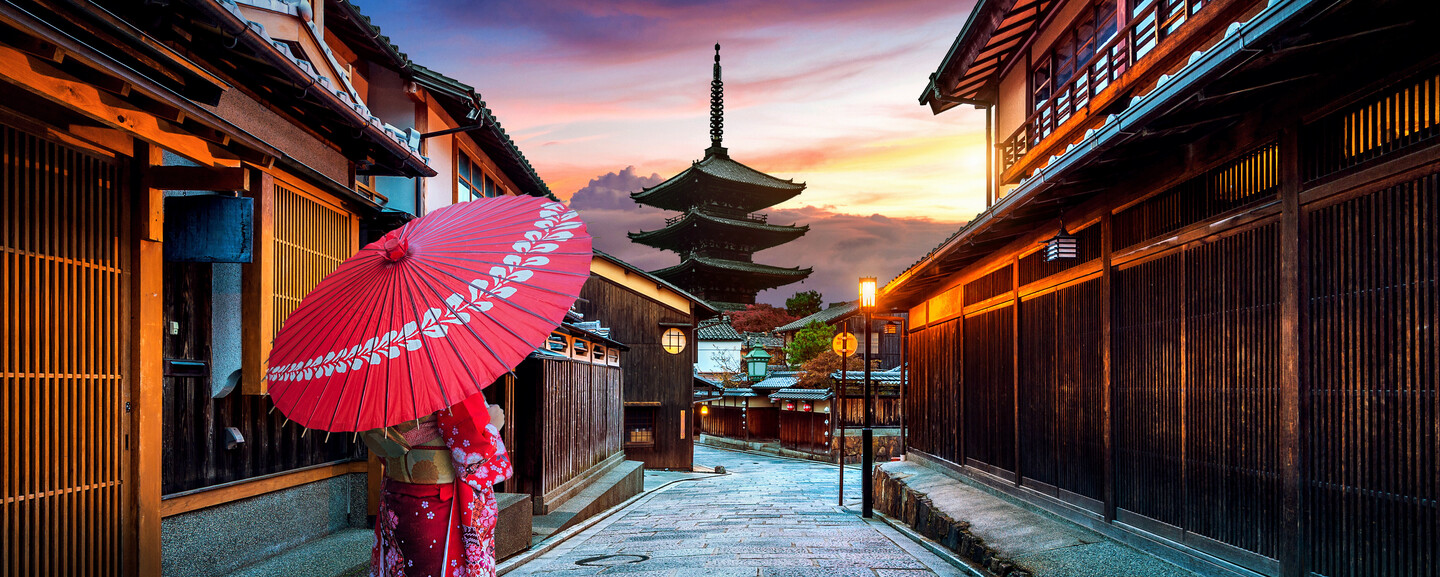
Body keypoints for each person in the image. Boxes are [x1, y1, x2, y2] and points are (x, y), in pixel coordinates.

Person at [363, 394, 512, 577]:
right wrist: (492, 425)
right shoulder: (445, 380)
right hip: (439, 502)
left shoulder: (383, 385)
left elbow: (384, 448)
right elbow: (472, 448)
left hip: (395, 498)